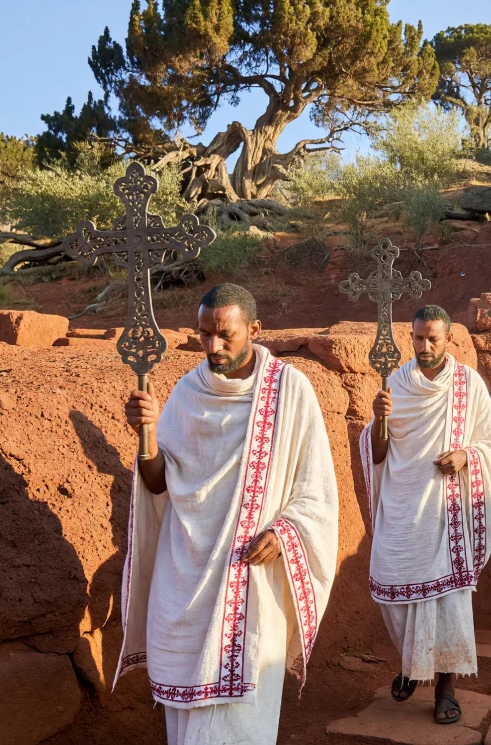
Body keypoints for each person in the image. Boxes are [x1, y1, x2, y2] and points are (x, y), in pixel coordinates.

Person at [119, 283, 339, 745]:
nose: (212, 346)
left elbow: (316, 491)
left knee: (235, 728)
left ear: (255, 330)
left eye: (226, 335)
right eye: (203, 335)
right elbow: (160, 484)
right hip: (185, 583)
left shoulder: (290, 391)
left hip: (251, 589)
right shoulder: (186, 392)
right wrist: (148, 436)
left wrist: (284, 534)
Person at [360, 305, 491, 725]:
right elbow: (378, 454)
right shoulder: (395, 385)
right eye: (418, 338)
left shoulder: (468, 385)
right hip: (402, 508)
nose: (424, 346)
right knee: (393, 591)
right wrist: (380, 421)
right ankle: (411, 665)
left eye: (433, 339)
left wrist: (465, 455)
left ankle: (445, 688)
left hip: (447, 512)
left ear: (448, 340)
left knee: (445, 603)